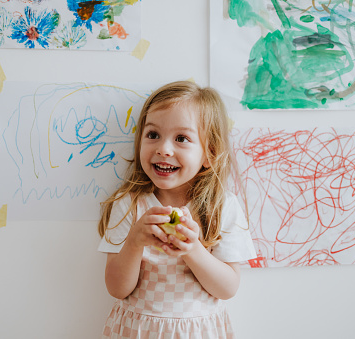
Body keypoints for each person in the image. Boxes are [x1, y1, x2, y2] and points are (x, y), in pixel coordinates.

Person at [97, 80, 256, 338]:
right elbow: (117, 288)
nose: (163, 149)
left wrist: (193, 250)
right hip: (139, 330)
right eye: (153, 135)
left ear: (209, 155)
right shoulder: (128, 204)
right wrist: (135, 242)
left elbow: (227, 288)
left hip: (198, 330)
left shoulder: (222, 207)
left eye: (181, 138)